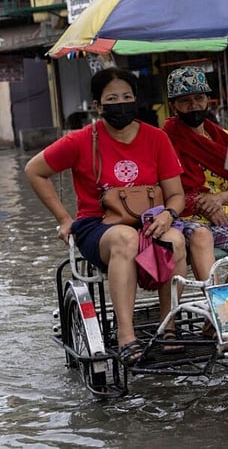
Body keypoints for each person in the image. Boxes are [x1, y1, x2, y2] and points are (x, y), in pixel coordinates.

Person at [24, 67, 187, 365]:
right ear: (98, 106)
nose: (121, 103)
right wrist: (63, 218)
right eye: (112, 98)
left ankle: (169, 327)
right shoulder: (81, 140)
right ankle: (127, 335)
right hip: (97, 226)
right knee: (125, 239)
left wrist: (168, 214)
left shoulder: (156, 138)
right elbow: (34, 170)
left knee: (175, 239)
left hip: (150, 220)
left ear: (136, 100)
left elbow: (177, 194)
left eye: (127, 97)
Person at [162, 66, 228, 287]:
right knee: (203, 236)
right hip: (183, 220)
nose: (194, 106)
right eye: (185, 100)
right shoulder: (162, 140)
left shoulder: (224, 138)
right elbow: (159, 188)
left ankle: (221, 311)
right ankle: (217, 309)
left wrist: (218, 199)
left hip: (222, 216)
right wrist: (198, 202)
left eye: (199, 98)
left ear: (207, 100)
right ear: (173, 105)